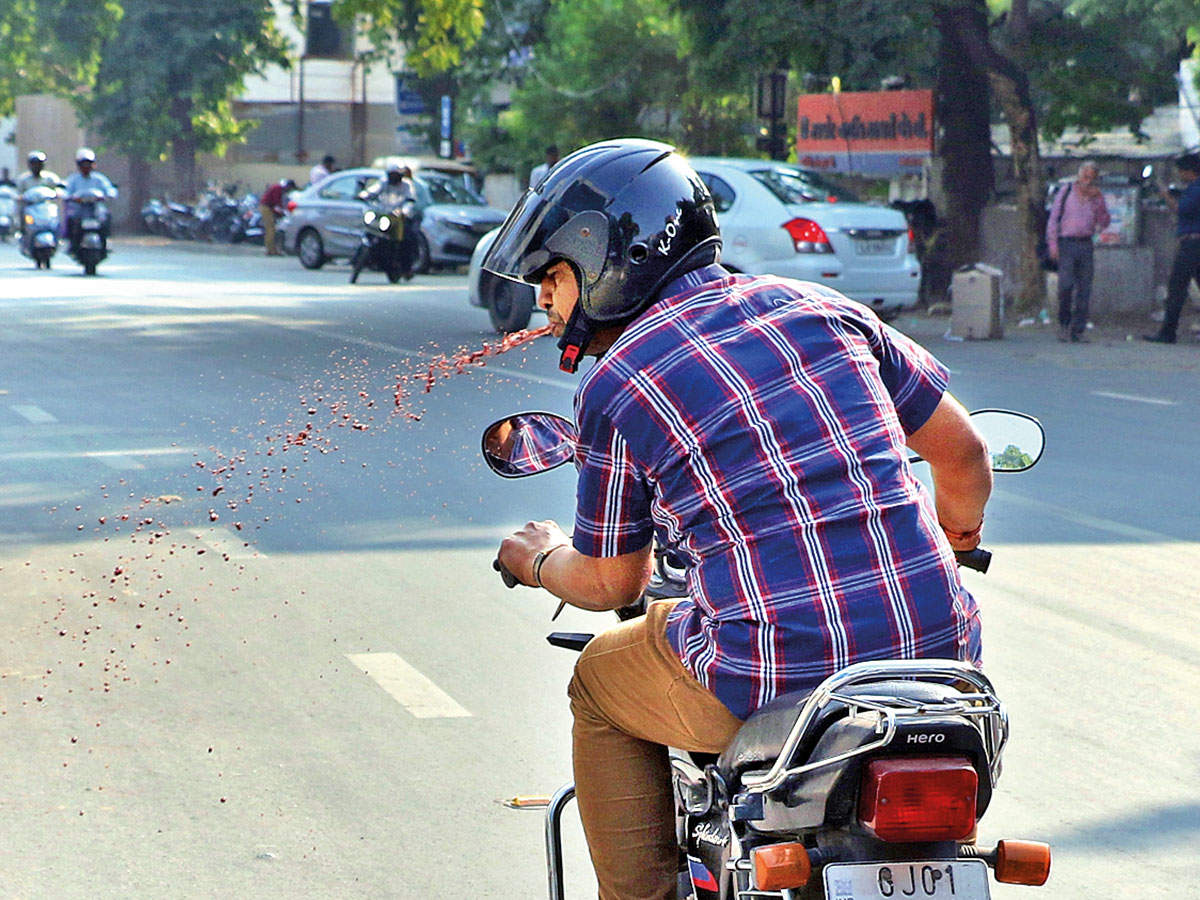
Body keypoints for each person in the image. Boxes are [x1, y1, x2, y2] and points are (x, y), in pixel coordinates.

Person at [484, 139, 993, 900]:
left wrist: (537, 556)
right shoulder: (827, 310)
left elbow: (609, 578)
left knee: (596, 682)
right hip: (945, 666)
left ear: (606, 260)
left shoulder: (621, 385)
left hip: (769, 675)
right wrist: (956, 547)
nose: (548, 304)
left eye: (553, 279)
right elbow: (964, 456)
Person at [1045, 161, 1110, 343]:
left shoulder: (1096, 197)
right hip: (1066, 243)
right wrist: (1053, 244)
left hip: (1085, 244)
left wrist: (1099, 201)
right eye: (1085, 177)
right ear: (1079, 176)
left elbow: (1104, 222)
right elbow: (1053, 219)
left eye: (1092, 178)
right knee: (1065, 287)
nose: (1088, 182)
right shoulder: (1066, 192)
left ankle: (1078, 330)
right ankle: (1064, 325)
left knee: (1084, 288)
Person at [1144, 152, 1200, 344]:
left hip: (1192, 244)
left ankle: (1168, 332)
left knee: (1177, 288)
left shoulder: (1195, 189)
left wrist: (1165, 195)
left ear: (1189, 171)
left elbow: (1180, 209)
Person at [360, 163, 420, 278]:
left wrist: (404, 211)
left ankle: (407, 268)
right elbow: (373, 191)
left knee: (407, 239)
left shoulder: (407, 185)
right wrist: (363, 195)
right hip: (383, 216)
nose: (393, 177)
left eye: (395, 175)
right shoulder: (383, 182)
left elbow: (410, 200)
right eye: (391, 175)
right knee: (370, 232)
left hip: (399, 218)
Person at [62, 148, 117, 256]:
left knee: (106, 217)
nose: (86, 167)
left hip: (96, 210)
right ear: (78, 166)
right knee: (71, 219)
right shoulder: (73, 179)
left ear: (94, 165)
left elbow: (110, 190)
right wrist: (71, 197)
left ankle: (105, 242)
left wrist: (107, 195)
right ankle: (72, 244)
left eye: (89, 164)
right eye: (83, 164)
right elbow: (65, 191)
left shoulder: (100, 179)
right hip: (79, 210)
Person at [259, 178, 295, 256]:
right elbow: (277, 202)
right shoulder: (278, 188)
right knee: (271, 229)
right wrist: (283, 212)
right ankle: (271, 250)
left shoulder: (279, 188)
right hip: (266, 207)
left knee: (271, 229)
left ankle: (271, 249)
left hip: (268, 207)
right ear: (288, 186)